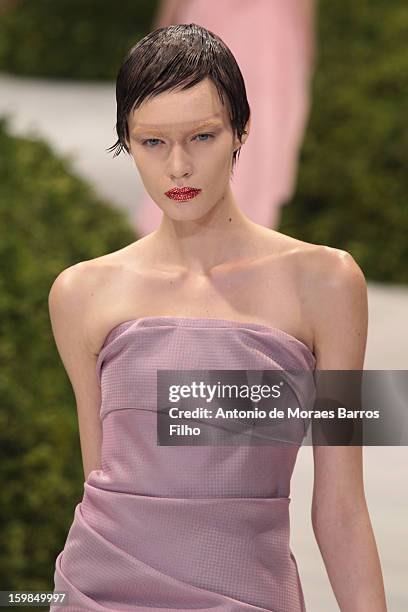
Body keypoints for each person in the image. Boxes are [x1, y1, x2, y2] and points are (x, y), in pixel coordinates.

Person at [49, 24, 386, 611]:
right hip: (101, 592)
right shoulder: (82, 294)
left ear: (241, 130)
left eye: (201, 136)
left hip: (248, 592)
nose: (178, 166)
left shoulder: (325, 284)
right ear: (127, 141)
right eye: (152, 142)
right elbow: (102, 480)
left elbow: (339, 505)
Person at [134, 0, 316, 234]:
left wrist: (159, 36)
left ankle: (186, 237)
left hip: (251, 30)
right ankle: (243, 240)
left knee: (200, 118)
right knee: (256, 134)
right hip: (265, 32)